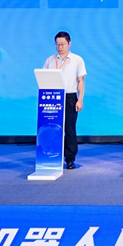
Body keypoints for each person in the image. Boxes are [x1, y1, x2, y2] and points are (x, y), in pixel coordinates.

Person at [44, 31, 85, 169]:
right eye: (57, 44)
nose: (60, 47)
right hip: (52, 97)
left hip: (69, 96)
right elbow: (44, 77)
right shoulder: (50, 60)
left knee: (70, 129)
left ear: (69, 44)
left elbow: (80, 81)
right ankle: (52, 155)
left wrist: (80, 99)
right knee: (52, 128)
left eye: (62, 44)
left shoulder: (77, 60)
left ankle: (70, 158)